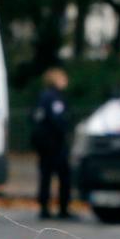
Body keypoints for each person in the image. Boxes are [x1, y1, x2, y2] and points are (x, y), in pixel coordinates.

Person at [31, 66, 74, 220]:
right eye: (63, 78)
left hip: (43, 143)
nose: (66, 81)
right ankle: (63, 207)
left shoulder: (42, 96)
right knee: (64, 175)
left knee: (45, 175)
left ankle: (44, 206)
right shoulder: (55, 98)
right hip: (55, 143)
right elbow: (58, 120)